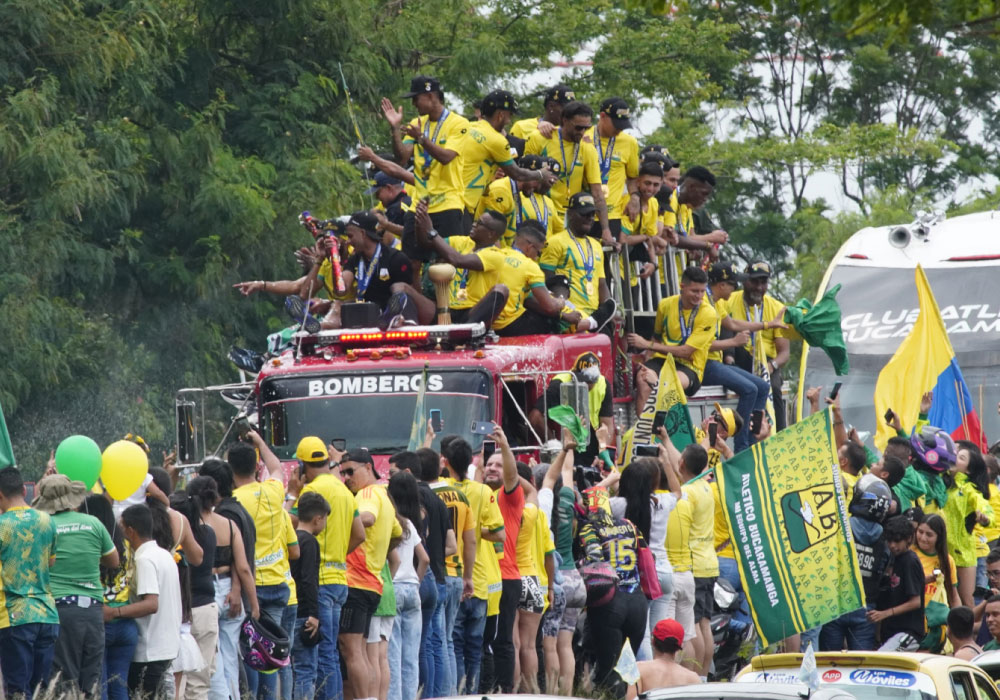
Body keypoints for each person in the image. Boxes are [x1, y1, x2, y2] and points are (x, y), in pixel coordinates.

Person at [287, 437, 364, 700]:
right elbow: (360, 534)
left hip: (317, 583)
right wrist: (339, 553)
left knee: (323, 654)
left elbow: (289, 527)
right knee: (331, 653)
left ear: (301, 465)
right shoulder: (344, 490)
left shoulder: (310, 493)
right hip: (340, 580)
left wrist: (293, 494)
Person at [419, 206, 574, 335]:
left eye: (478, 223)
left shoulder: (501, 253)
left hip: (475, 314)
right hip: (501, 323)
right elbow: (546, 306)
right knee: (550, 324)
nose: (537, 257)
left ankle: (462, 333)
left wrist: (428, 229)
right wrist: (561, 303)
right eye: (538, 253)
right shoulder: (522, 263)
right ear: (530, 247)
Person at [230, 432, 301, 700]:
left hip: (251, 586)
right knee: (270, 653)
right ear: (255, 465)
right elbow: (276, 467)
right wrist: (260, 442)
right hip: (277, 585)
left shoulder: (234, 501)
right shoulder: (274, 491)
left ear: (230, 468)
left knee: (250, 653)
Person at [38, 474, 118, 698]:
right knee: (91, 681)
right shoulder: (93, 523)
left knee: (64, 682)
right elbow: (114, 561)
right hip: (93, 611)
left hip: (60, 610)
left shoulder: (45, 526)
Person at [440, 438, 505, 695]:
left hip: (450, 574)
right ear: (470, 462)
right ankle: (474, 693)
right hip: (479, 580)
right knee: (475, 647)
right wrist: (478, 532)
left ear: (446, 461)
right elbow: (499, 534)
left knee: (452, 644)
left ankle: (456, 693)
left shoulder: (440, 488)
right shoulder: (482, 492)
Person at [610, 432, 682, 661]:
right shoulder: (662, 503)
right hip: (664, 572)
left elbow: (592, 501)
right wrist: (666, 464)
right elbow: (678, 492)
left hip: (639, 575)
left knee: (639, 637)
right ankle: (661, 681)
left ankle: (644, 681)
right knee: (657, 635)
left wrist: (609, 480)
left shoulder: (618, 506)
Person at [381, 75, 470, 261]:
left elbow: (446, 157)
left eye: (416, 98)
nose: (414, 104)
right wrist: (395, 129)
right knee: (412, 261)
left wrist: (422, 139)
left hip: (448, 203)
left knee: (446, 260)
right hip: (419, 204)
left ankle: (446, 292)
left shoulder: (459, 123)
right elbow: (402, 158)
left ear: (431, 96)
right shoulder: (417, 124)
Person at [340, 448, 403, 700]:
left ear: (368, 467)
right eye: (343, 473)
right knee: (364, 653)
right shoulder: (384, 496)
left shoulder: (367, 494)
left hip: (356, 581)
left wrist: (338, 518)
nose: (346, 478)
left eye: (350, 471)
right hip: (372, 583)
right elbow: (398, 532)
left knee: (352, 651)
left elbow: (366, 518)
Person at [702, 261, 782, 451]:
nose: (735, 289)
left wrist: (767, 325)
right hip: (704, 364)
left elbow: (734, 324)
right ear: (722, 285)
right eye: (733, 284)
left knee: (762, 386)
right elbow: (699, 346)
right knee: (750, 390)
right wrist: (733, 343)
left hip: (715, 363)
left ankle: (753, 441)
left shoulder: (716, 302)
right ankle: (742, 446)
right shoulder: (704, 305)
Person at [577, 483, 649, 694]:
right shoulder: (629, 525)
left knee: (607, 670)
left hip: (610, 602)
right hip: (637, 601)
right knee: (627, 669)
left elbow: (594, 560)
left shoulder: (590, 528)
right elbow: (646, 556)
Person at [197, 459, 257, 700]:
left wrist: (241, 592)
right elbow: (242, 565)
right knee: (230, 656)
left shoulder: (217, 517)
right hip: (234, 595)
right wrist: (250, 601)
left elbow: (240, 565)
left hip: (215, 591)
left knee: (213, 656)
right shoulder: (237, 514)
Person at [0, 466, 60, 699]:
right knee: (42, 691)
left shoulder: (3, 526)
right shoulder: (46, 521)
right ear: (23, 489)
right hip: (46, 614)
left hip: (14, 617)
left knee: (18, 691)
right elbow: (51, 562)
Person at [391, 207, 506, 326]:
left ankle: (469, 331)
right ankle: (409, 325)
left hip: (472, 312)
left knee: (502, 289)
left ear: (491, 234)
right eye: (476, 220)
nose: (474, 224)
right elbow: (426, 243)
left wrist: (431, 230)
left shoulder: (496, 255)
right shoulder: (461, 241)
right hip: (445, 310)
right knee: (400, 287)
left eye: (480, 223)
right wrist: (420, 223)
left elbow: (457, 260)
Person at [524, 101, 613, 243]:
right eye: (578, 127)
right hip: (541, 209)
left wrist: (606, 230)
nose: (582, 132)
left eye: (586, 128)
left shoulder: (588, 149)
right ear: (565, 120)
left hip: (570, 217)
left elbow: (597, 192)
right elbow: (524, 175)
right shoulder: (540, 138)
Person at [820, 474, 891, 652]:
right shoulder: (886, 539)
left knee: (829, 665)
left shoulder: (840, 528)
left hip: (835, 604)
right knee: (860, 667)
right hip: (866, 609)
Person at [425, 449, 476, 696]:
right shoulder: (460, 495)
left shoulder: (424, 495)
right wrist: (468, 576)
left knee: (434, 641)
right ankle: (452, 694)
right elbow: (471, 540)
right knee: (447, 641)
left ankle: (439, 693)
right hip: (456, 573)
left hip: (435, 573)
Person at [460, 89, 555, 221]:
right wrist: (540, 174)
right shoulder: (497, 140)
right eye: (509, 116)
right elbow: (517, 174)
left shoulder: (469, 127)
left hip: (450, 199)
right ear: (500, 115)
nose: (509, 122)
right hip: (463, 205)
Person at [118, 503, 182, 699]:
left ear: (130, 530)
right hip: (167, 645)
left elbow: (151, 603)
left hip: (149, 649)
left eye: (121, 529)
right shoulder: (164, 555)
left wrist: (114, 612)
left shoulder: (144, 559)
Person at [628, 266, 717, 399]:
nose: (699, 296)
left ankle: (665, 418)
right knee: (642, 379)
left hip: (690, 366)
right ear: (682, 286)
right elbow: (656, 337)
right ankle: (644, 420)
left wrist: (647, 344)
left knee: (669, 385)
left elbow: (686, 351)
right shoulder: (665, 305)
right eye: (695, 291)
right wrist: (647, 360)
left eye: (702, 291)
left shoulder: (708, 313)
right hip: (662, 360)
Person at [537, 440, 582, 695]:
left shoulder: (541, 508)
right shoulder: (568, 497)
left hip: (556, 579)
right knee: (567, 646)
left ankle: (553, 694)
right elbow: (566, 472)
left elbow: (553, 477)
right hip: (576, 578)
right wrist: (569, 447)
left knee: (550, 646)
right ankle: (569, 694)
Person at [481, 425, 523, 693]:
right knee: (484, 639)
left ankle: (505, 692)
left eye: (498, 464)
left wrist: (505, 447)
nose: (492, 468)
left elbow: (511, 476)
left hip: (506, 577)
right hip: (484, 578)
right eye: (488, 464)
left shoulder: (509, 497)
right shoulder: (481, 495)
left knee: (503, 640)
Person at [726, 260, 791, 430]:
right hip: (740, 355)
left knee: (775, 386)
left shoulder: (777, 308)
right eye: (754, 281)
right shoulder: (729, 300)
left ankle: (779, 432)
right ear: (745, 281)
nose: (759, 287)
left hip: (767, 361)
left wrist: (771, 366)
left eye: (763, 282)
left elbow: (784, 353)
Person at [386, 471, 429, 700]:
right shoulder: (411, 523)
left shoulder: (390, 521)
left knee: (392, 657)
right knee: (411, 658)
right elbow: (425, 559)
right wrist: (416, 582)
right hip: (412, 589)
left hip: (393, 587)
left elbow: (394, 559)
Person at [530, 352, 615, 468]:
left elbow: (607, 425)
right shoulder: (559, 384)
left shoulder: (603, 384)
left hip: (592, 451)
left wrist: (602, 453)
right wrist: (556, 447)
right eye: (582, 380)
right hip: (567, 451)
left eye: (590, 382)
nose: (586, 385)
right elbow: (535, 417)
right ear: (574, 372)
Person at [539, 192, 613, 319]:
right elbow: (547, 281)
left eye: (592, 214)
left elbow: (602, 284)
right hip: (571, 313)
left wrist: (608, 311)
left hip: (594, 314)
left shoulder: (596, 245)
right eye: (584, 214)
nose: (590, 218)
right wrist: (562, 312)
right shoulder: (555, 242)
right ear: (571, 214)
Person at [475, 154, 566, 246]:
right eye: (537, 181)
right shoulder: (501, 190)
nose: (536, 187)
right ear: (527, 176)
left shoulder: (515, 192)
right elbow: (491, 230)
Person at [289, 492, 327, 700]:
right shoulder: (310, 542)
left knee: (289, 667)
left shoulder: (292, 538)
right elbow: (309, 579)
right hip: (305, 612)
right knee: (306, 669)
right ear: (317, 519)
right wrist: (314, 613)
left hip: (290, 608)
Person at [586, 97, 640, 244]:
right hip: (584, 212)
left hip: (612, 216)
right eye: (616, 124)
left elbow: (632, 176)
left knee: (608, 263)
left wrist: (634, 197)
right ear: (603, 116)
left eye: (623, 125)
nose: (619, 129)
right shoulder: (584, 136)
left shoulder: (630, 143)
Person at [869, 515, 925, 651]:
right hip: (891, 631)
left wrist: (886, 613)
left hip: (908, 632)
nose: (892, 545)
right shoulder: (894, 558)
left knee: (879, 661)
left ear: (909, 539)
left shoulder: (910, 560)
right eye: (889, 541)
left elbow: (916, 601)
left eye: (897, 541)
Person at [662, 167, 729, 262]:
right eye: (704, 193)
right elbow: (671, 237)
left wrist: (693, 248)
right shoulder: (670, 200)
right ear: (691, 187)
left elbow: (690, 237)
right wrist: (709, 243)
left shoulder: (686, 207)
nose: (705, 199)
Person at [625, 619, 701, 699]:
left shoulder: (638, 669)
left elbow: (631, 698)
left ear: (653, 641)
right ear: (680, 646)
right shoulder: (693, 678)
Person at [913, 513, 960, 609]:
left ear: (939, 537)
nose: (923, 538)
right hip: (913, 617)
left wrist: (958, 619)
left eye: (929, 535)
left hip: (936, 620)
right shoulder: (910, 553)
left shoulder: (947, 560)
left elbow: (953, 596)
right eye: (920, 532)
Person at [510, 84, 575, 141]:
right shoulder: (521, 127)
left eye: (573, 108)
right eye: (566, 107)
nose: (571, 112)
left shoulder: (574, 130)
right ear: (551, 106)